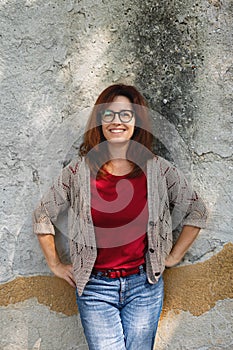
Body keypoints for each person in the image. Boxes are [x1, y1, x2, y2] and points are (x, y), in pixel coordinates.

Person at [33, 84, 208, 350]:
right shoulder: (80, 170)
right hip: (95, 290)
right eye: (109, 114)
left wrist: (173, 256)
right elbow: (43, 214)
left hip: (144, 287)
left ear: (136, 122)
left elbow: (197, 210)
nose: (117, 121)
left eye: (126, 115)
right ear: (99, 120)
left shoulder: (157, 168)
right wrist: (55, 264)